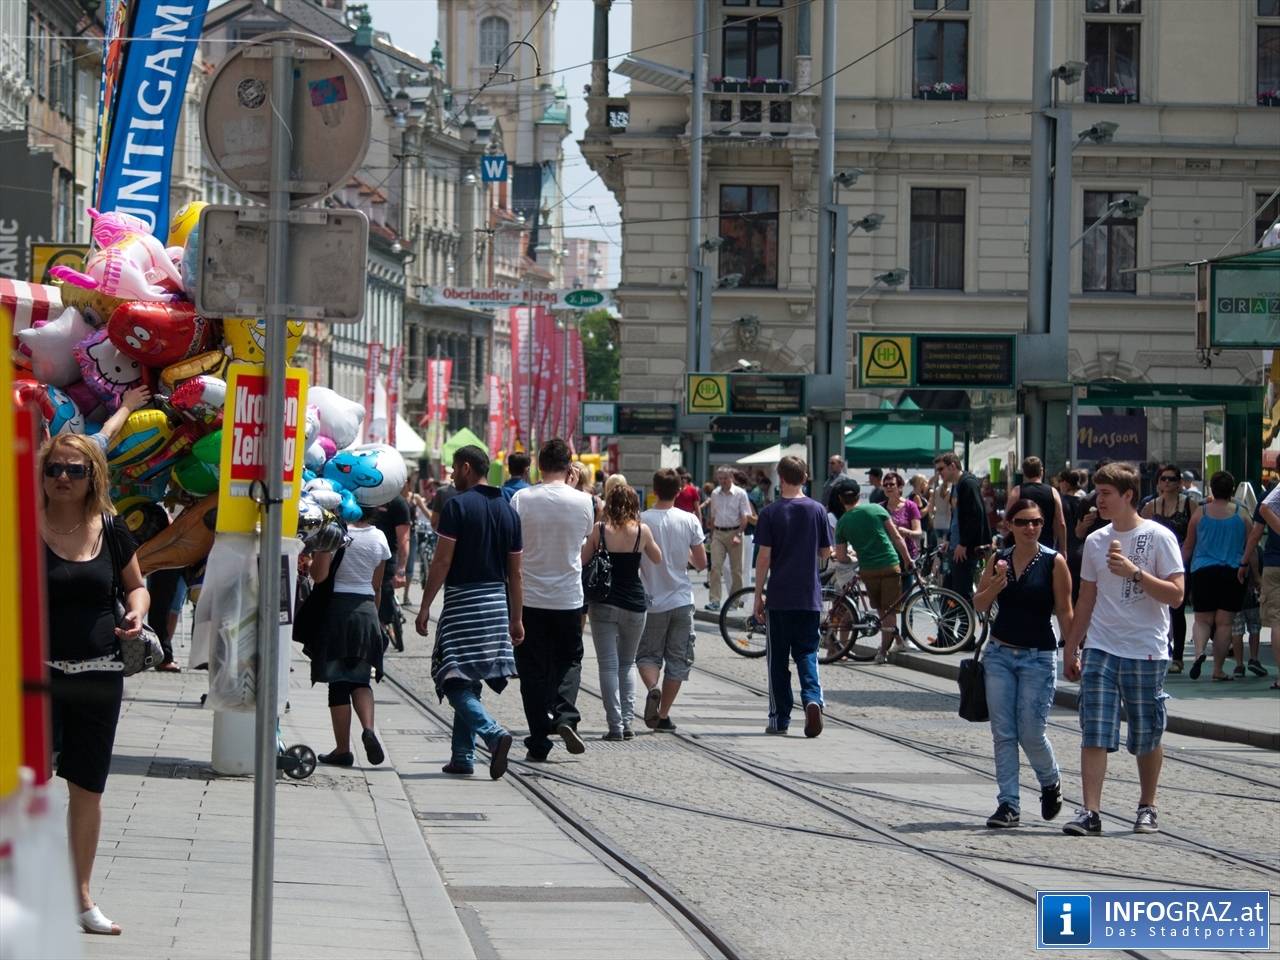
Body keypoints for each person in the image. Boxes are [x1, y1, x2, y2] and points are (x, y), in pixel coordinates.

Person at [41, 434, 149, 936]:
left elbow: (137, 586)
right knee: (22, 787)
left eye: (75, 470)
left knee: (87, 786)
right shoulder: (19, 526)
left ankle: (80, 898)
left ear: (93, 478)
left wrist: (136, 613)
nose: (63, 477)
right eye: (54, 469)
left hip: (98, 675)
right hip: (32, 681)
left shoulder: (111, 528)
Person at [1062, 461, 1185, 837]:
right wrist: (1071, 647)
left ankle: (1147, 806)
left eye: (1105, 494)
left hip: (1146, 648)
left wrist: (1134, 572)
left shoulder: (1160, 536)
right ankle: (1090, 811)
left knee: (1146, 732)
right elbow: (1086, 599)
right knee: (1094, 728)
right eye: (1097, 492)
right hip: (1101, 646)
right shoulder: (1096, 541)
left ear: (1128, 495)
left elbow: (1177, 596)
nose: (1097, 500)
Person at [414, 445, 520, 779]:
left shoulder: (456, 506)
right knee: (468, 677)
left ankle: (491, 732)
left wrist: (425, 604)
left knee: (450, 676)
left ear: (465, 468)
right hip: (496, 602)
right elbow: (515, 574)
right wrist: (516, 617)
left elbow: (442, 560)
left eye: (453, 471)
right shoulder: (509, 512)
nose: (451, 477)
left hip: (463, 601)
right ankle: (462, 756)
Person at [972, 499, 1073, 829]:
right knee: (1003, 732)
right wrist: (994, 588)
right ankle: (1008, 804)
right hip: (999, 654)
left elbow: (1065, 610)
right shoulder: (999, 559)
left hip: (1037, 657)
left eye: (1037, 522)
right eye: (1023, 522)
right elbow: (980, 605)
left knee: (1031, 732)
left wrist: (1071, 651)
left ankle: (1050, 781)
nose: (1031, 528)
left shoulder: (1053, 561)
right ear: (1010, 525)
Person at [510, 439, 596, 760]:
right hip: (568, 598)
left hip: (529, 598)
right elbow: (584, 535)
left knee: (532, 669)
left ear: (538, 465)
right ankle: (564, 716)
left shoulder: (521, 498)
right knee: (569, 660)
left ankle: (538, 741)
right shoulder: (584, 501)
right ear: (570, 466)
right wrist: (573, 489)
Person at [753, 456, 832, 737]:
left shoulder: (770, 512)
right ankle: (812, 699)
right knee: (807, 653)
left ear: (780, 478)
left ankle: (779, 718)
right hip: (809, 595)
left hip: (779, 596)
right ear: (805, 477)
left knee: (777, 661)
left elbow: (764, 558)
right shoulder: (818, 510)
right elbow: (825, 553)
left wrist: (757, 597)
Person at [307, 504, 390, 768]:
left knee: (339, 684)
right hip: (366, 612)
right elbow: (377, 585)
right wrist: (374, 619)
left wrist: (314, 556)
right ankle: (368, 730)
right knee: (361, 680)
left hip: (336, 613)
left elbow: (319, 577)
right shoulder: (379, 537)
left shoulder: (334, 533)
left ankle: (343, 750)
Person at [583, 484, 662, 739]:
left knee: (607, 665)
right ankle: (628, 723)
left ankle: (614, 726)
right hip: (635, 605)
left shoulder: (600, 530)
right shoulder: (642, 530)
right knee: (627, 663)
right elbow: (657, 558)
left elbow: (582, 560)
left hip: (604, 603)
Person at [637, 469, 708, 732]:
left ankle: (652, 688)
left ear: (654, 490)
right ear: (679, 491)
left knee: (647, 654)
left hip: (651, 600)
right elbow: (701, 563)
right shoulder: (689, 520)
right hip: (681, 599)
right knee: (678, 660)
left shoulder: (641, 520)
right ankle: (663, 715)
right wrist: (685, 556)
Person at [1181, 470, 1251, 682]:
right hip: (1232, 572)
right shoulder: (1242, 514)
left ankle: (1199, 653)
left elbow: (1189, 545)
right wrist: (1254, 574)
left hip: (1203, 571)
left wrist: (1179, 568)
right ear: (1231, 489)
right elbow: (1251, 547)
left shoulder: (1200, 513)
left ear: (1212, 488)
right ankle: (1218, 669)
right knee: (1224, 623)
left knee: (1202, 619)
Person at [833, 483, 913, 663]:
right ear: (860, 494)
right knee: (889, 610)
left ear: (840, 499)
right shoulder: (877, 509)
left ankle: (893, 643)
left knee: (880, 609)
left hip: (868, 568)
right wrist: (908, 560)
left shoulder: (842, 522)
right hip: (889, 563)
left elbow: (841, 556)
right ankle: (882, 652)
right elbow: (896, 537)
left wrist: (853, 557)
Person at [1139, 463, 1195, 671]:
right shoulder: (1151, 506)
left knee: (1177, 609)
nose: (1167, 482)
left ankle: (1178, 657)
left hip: (1181, 561)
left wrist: (1180, 563)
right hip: (1155, 564)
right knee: (1154, 607)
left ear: (1180, 482)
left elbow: (1192, 537)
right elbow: (1141, 533)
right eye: (1163, 479)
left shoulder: (1190, 504)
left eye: (1171, 479)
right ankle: (1160, 649)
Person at [1240, 481, 1280, 687]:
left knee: (1277, 622)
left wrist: (1244, 562)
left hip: (1275, 565)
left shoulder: (1269, 496)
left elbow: (1256, 534)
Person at [936, 453, 989, 604]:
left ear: (952, 466)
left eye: (941, 469)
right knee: (948, 595)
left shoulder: (968, 483)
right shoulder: (956, 486)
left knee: (962, 594)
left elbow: (975, 516)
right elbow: (955, 517)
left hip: (965, 549)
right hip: (955, 545)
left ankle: (966, 627)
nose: (939, 473)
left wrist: (963, 543)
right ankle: (945, 628)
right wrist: (948, 540)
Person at [705, 466, 753, 611]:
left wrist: (738, 534)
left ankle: (735, 601)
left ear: (731, 478)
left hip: (735, 532)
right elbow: (713, 516)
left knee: (736, 570)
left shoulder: (740, 493)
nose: (722, 481)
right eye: (720, 478)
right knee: (715, 567)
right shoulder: (715, 493)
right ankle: (715, 600)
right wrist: (712, 535)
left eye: (725, 478)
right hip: (719, 533)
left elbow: (745, 516)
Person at [372, 486, 411, 639]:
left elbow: (404, 539)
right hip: (365, 553)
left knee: (384, 590)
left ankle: (380, 632)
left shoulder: (397, 502)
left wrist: (401, 571)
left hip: (387, 556)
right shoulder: (363, 495)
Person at [1006, 456, 1067, 550]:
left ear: (1024, 473)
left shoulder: (1017, 491)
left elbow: (1007, 517)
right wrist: (1063, 549)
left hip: (1021, 545)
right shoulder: (1052, 491)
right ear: (1041, 471)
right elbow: (1061, 523)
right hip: (1047, 544)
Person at [881, 471, 924, 562]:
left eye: (891, 484)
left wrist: (906, 532)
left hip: (908, 553)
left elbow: (919, 532)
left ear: (900, 487)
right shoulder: (880, 507)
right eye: (885, 485)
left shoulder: (910, 506)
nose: (888, 487)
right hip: (887, 554)